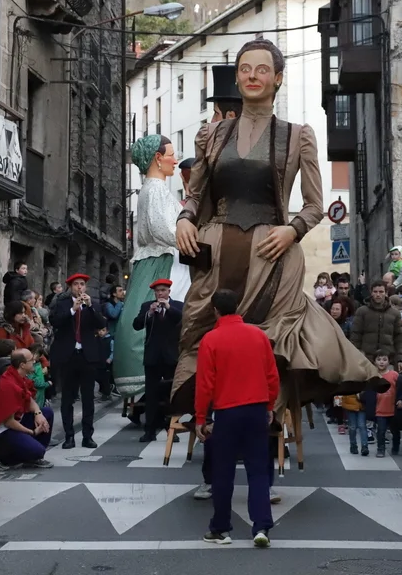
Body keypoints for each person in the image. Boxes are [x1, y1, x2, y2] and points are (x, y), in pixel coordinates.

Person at [173, 38, 383, 418]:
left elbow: (316, 205)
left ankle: (265, 416)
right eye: (245, 69)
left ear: (278, 78)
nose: (253, 76)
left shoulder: (298, 135)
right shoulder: (211, 135)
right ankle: (215, 415)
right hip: (217, 255)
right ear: (238, 78)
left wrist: (293, 230)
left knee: (269, 341)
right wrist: (184, 218)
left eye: (262, 69)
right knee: (203, 333)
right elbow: (196, 194)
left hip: (271, 254)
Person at [195, 289, 279, 548]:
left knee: (223, 471)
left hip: (227, 411)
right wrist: (270, 405)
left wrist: (200, 417)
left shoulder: (210, 339)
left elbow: (205, 383)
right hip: (256, 408)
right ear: (238, 307)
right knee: (258, 470)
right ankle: (261, 527)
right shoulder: (258, 335)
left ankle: (221, 528)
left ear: (215, 310)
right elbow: (272, 375)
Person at [114, 133, 191, 399]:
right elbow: (162, 229)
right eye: (171, 155)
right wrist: (192, 241)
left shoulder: (154, 188)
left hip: (162, 258)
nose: (175, 160)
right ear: (158, 158)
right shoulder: (156, 189)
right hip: (164, 261)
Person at [50, 273, 108, 449]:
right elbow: (55, 322)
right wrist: (72, 310)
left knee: (88, 398)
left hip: (87, 355)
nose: (79, 287)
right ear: (70, 287)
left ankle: (87, 436)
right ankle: (69, 436)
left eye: (82, 284)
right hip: (68, 356)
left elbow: (101, 324)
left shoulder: (93, 305)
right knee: (67, 398)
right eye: (76, 284)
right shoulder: (62, 304)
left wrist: (89, 307)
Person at [132, 279, 183, 442]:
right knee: (151, 395)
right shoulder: (147, 306)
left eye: (163, 290)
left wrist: (168, 308)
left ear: (169, 291)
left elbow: (183, 320)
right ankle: (150, 430)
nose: (160, 293)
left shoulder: (178, 306)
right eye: (157, 291)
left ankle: (171, 428)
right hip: (152, 357)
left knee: (171, 395)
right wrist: (149, 313)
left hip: (171, 357)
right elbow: (136, 325)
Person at [0, 349, 54, 469]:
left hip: (17, 421)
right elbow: (8, 422)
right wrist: (32, 432)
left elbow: (28, 398)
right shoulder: (8, 384)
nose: (34, 361)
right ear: (22, 365)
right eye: (31, 360)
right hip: (3, 431)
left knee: (46, 413)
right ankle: (2, 455)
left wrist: (38, 413)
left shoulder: (18, 376)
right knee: (38, 451)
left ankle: (33, 457)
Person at [349, 281, 402, 366]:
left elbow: (400, 337)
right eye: (375, 292)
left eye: (381, 292)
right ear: (371, 293)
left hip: (388, 359)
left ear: (386, 293)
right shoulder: (362, 311)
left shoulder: (395, 313)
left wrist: (401, 359)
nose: (378, 294)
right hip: (366, 359)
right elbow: (355, 335)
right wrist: (356, 355)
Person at [372, 351, 401, 457]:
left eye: (384, 360)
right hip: (379, 409)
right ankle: (380, 449)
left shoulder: (394, 375)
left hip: (393, 409)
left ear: (389, 362)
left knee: (395, 431)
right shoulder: (373, 376)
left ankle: (396, 447)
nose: (381, 362)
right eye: (379, 359)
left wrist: (401, 400)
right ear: (374, 362)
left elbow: (401, 389)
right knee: (381, 431)